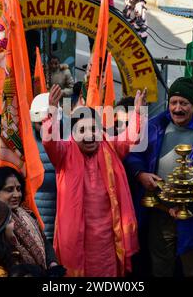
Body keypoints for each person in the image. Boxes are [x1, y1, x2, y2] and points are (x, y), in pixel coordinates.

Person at [124, 76, 193, 277]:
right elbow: (134, 154)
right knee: (160, 267)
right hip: (159, 211)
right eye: (174, 102)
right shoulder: (154, 126)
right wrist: (141, 174)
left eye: (184, 103)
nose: (177, 108)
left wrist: (190, 201)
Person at [41, 84, 146, 277]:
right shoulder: (63, 152)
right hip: (75, 238)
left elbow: (131, 138)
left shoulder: (110, 147)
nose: (89, 135)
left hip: (108, 239)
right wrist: (52, 113)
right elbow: (49, 141)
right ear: (73, 133)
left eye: (93, 129)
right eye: (83, 130)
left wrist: (138, 113)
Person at [0, 167, 65, 277]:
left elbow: (44, 242)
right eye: (9, 189)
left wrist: (52, 264)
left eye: (18, 189)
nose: (17, 194)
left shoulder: (27, 213)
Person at [30, 94, 58, 242]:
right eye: (40, 123)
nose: (44, 127)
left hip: (60, 210)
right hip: (36, 210)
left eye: (47, 122)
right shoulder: (27, 143)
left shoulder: (64, 141)